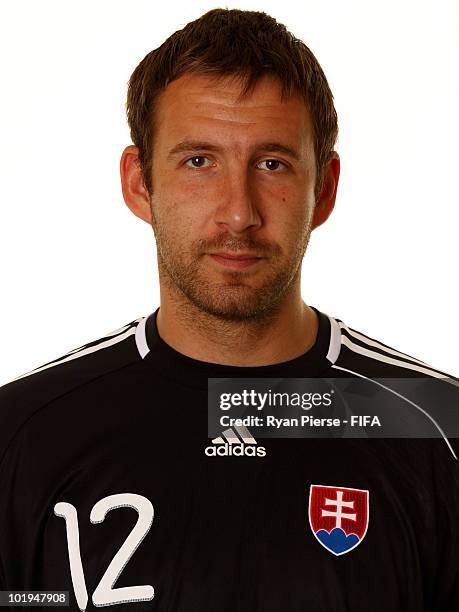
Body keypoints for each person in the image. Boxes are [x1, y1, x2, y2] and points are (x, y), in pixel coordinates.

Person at [0, 8, 458, 612]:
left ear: (324, 188)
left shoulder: (434, 427)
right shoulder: (23, 436)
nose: (238, 212)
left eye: (272, 163)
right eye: (199, 161)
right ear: (140, 183)